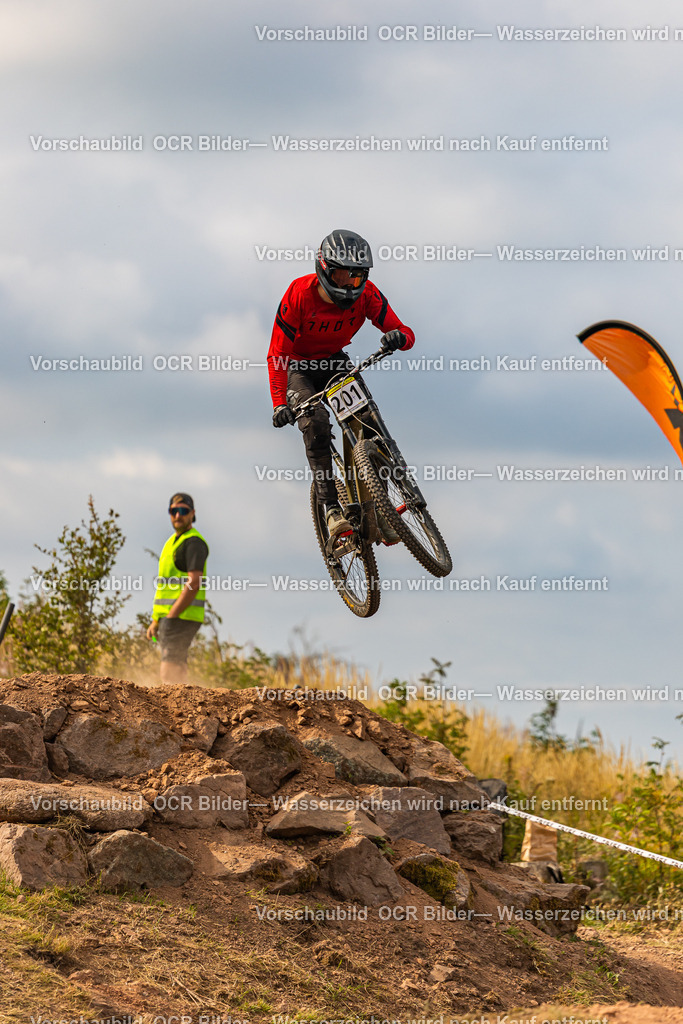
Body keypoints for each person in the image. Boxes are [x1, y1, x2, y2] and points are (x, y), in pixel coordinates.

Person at [268, 229, 415, 537]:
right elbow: (278, 353)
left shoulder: (369, 295)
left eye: (357, 277)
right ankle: (332, 511)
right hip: (299, 368)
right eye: (342, 276)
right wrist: (280, 403)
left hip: (334, 361)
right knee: (316, 423)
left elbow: (405, 332)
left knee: (367, 420)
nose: (350, 285)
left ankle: (380, 505)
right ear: (324, 269)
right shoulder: (299, 294)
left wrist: (398, 337)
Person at [147, 492, 209, 684]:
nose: (177, 515)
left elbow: (195, 582)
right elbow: (166, 587)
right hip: (169, 617)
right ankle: (185, 709)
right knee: (177, 665)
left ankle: (172, 712)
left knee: (169, 670)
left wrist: (172, 615)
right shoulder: (172, 543)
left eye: (183, 511)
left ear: (192, 513)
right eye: (173, 511)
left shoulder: (194, 542)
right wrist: (156, 621)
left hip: (181, 615)